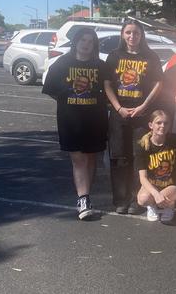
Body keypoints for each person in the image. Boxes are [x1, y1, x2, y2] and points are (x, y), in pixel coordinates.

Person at [42, 28, 108, 220]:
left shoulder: (101, 66)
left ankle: (86, 192)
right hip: (70, 120)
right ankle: (84, 199)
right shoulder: (63, 63)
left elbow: (109, 91)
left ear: (94, 45)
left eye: (90, 41)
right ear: (76, 42)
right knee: (78, 159)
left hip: (95, 119)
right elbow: (51, 89)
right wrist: (68, 101)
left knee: (90, 159)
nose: (86, 44)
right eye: (83, 40)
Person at [104, 19, 163, 214]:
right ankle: (121, 200)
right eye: (128, 32)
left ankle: (138, 200)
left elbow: (158, 83)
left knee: (139, 156)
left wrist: (144, 106)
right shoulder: (114, 56)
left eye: (136, 33)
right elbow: (107, 85)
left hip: (141, 114)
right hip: (119, 115)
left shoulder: (150, 57)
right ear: (123, 34)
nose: (132, 36)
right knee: (120, 157)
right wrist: (118, 107)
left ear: (141, 35)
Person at [134, 110, 176, 222]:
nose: (162, 126)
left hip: (172, 185)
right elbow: (143, 177)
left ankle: (169, 205)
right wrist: (156, 194)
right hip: (153, 184)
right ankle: (152, 206)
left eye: (166, 123)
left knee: (168, 194)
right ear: (150, 125)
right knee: (142, 199)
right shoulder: (143, 145)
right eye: (158, 123)